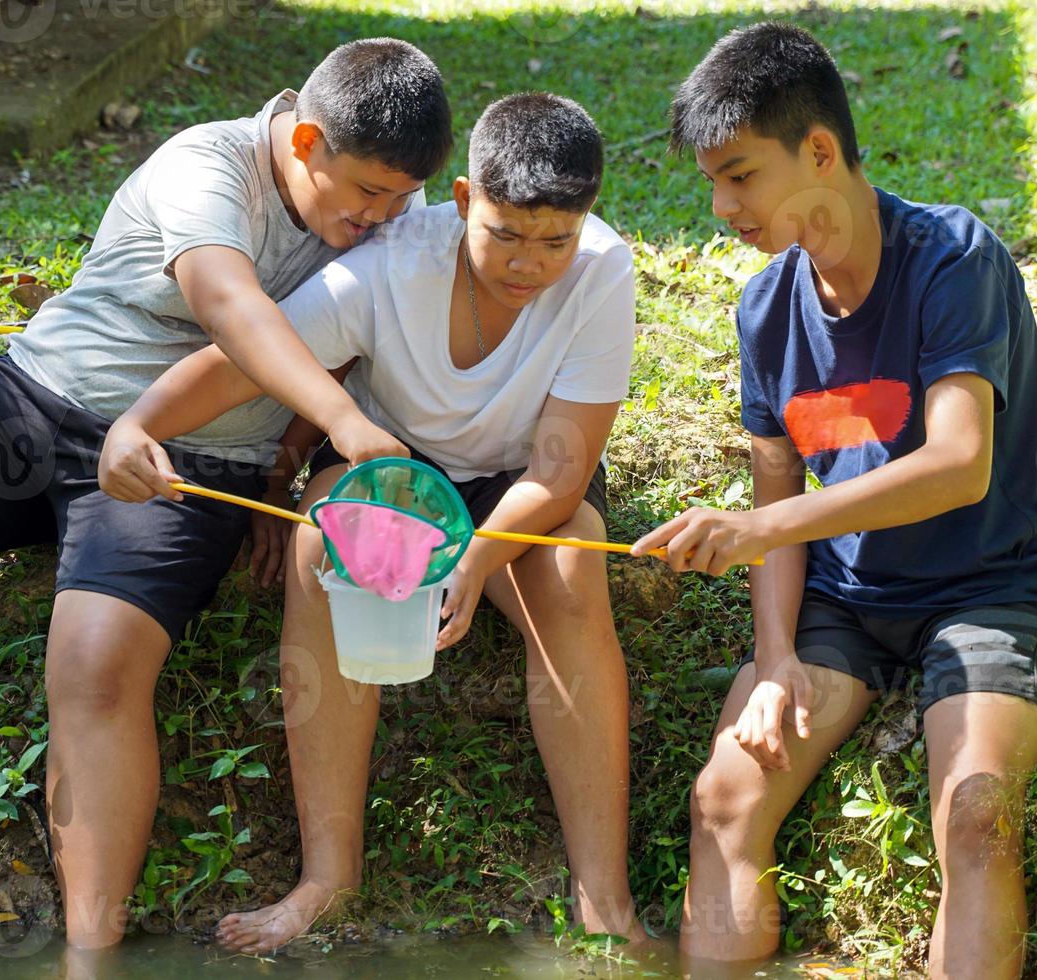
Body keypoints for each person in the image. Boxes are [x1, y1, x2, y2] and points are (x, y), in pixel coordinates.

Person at [0, 37, 453, 950]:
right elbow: (231, 308)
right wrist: (345, 426)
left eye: (401, 197)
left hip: (181, 466)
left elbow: (354, 336)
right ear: (306, 140)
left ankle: (88, 956)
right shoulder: (209, 163)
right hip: (31, 404)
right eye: (366, 193)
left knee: (95, 667)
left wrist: (291, 458)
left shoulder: (393, 200)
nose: (383, 216)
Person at [101, 92, 642, 954]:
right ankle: (327, 875)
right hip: (391, 465)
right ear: (465, 199)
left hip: (524, 481)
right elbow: (240, 360)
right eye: (505, 234)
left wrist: (475, 561)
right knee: (325, 543)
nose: (530, 265)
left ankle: (604, 897)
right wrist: (137, 427)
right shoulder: (390, 264)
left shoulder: (605, 270)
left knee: (573, 573)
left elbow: (563, 468)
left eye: (556, 241)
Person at [630, 23, 1037, 979]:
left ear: (821, 152)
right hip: (843, 605)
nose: (721, 205)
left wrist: (759, 528)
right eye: (713, 180)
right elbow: (777, 491)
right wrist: (775, 655)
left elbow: (960, 463)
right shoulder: (764, 314)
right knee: (723, 799)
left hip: (991, 590)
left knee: (975, 812)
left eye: (741, 174)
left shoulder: (954, 260)